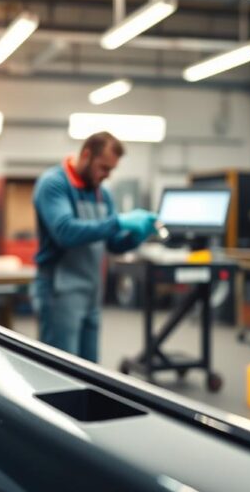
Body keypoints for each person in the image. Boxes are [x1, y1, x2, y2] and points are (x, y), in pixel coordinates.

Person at [32, 132, 158, 362]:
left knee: (90, 369)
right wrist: (118, 221)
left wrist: (138, 235)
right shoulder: (54, 184)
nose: (107, 176)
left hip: (92, 292)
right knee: (61, 367)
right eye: (103, 167)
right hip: (60, 291)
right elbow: (65, 232)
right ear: (87, 154)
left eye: (111, 170)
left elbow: (112, 243)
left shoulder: (103, 193)